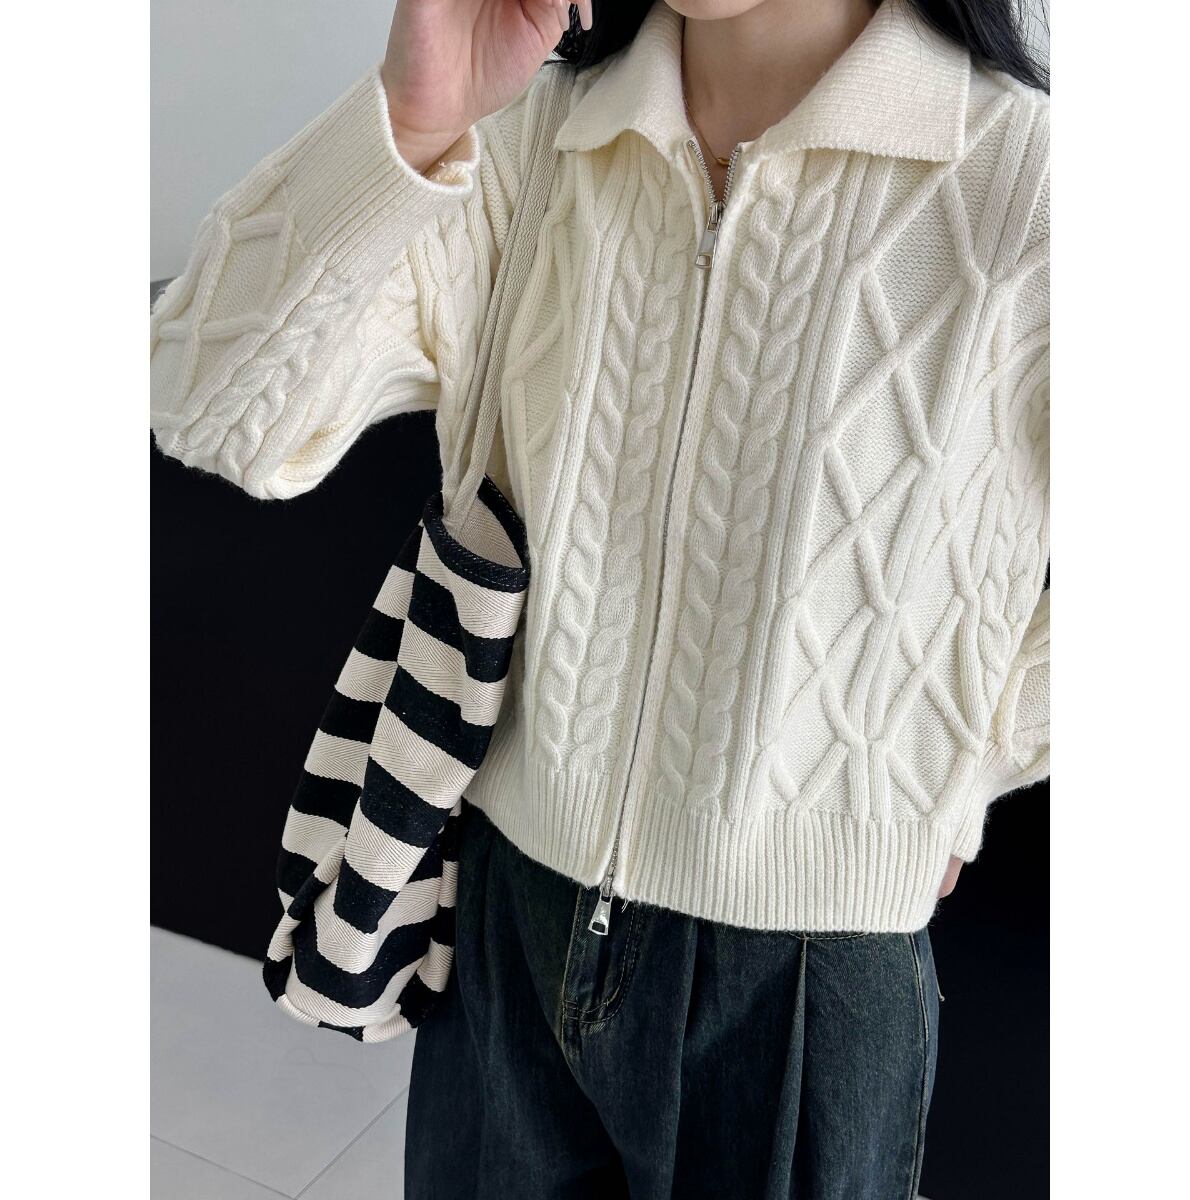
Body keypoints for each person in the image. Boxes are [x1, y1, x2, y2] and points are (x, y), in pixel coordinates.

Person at [150, 1, 1049, 1195]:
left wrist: (960, 769)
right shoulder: (534, 137)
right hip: (509, 921)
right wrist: (412, 119)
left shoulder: (1029, 188)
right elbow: (204, 402)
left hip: (805, 987)